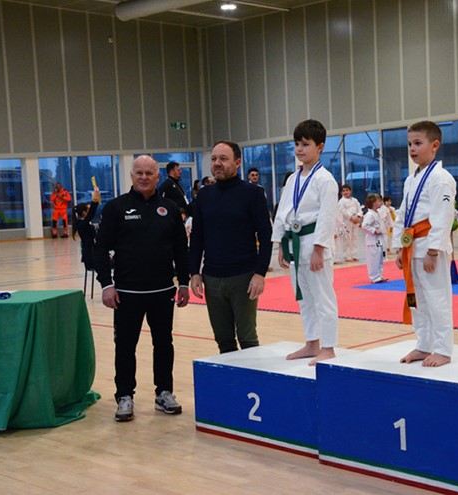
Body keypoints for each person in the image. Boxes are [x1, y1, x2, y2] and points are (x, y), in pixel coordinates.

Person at [93, 155, 190, 423]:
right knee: (125, 347)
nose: (144, 177)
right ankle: (125, 396)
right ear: (132, 176)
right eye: (139, 173)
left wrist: (183, 282)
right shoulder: (116, 208)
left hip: (163, 291)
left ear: (158, 176)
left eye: (149, 173)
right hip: (127, 294)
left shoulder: (170, 208)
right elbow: (100, 249)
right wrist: (107, 285)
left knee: (164, 344)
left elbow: (181, 249)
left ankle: (164, 393)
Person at [189, 141, 272, 354]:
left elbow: (265, 236)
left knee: (247, 339)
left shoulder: (253, 193)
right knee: (223, 340)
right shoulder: (204, 196)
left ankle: (251, 376)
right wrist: (194, 272)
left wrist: (260, 273)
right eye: (214, 159)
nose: (217, 163)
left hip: (243, 277)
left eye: (223, 159)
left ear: (237, 162)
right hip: (212, 277)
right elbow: (197, 237)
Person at [271, 119, 339, 366]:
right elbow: (282, 211)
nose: (299, 149)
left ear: (320, 147)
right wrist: (280, 244)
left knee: (323, 297)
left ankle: (328, 347)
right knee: (304, 297)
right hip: (294, 242)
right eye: (297, 144)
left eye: (305, 144)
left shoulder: (325, 179)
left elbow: (327, 217)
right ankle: (312, 343)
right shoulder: (293, 179)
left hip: (313, 243)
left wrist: (319, 249)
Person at [393, 120, 456, 367]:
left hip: (430, 247)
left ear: (435, 145)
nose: (412, 148)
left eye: (418, 143)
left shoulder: (441, 178)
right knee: (417, 299)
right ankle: (424, 344)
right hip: (412, 247)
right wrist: (399, 247)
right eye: (410, 144)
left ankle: (442, 349)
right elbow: (402, 214)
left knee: (437, 299)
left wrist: (433, 250)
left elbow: (443, 216)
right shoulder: (412, 179)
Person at [71, 187, 101, 271]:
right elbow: (91, 214)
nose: (89, 211)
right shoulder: (82, 224)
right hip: (91, 259)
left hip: (93, 255)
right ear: (84, 213)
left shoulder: (83, 223)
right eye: (88, 210)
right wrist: (94, 200)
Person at [361, 193, 388, 283]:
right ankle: (374, 277)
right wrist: (374, 230)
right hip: (372, 240)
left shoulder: (377, 213)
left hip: (379, 240)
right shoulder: (370, 214)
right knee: (373, 259)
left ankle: (379, 275)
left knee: (380, 257)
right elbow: (364, 226)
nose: (381, 202)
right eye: (379, 201)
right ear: (373, 203)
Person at [337, 184, 363, 262]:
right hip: (347, 221)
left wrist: (359, 217)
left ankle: (354, 254)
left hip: (356, 221)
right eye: (343, 191)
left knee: (355, 238)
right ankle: (347, 256)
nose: (345, 192)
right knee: (347, 239)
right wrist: (351, 217)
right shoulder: (341, 201)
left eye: (347, 190)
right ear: (341, 192)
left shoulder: (355, 200)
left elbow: (359, 209)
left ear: (350, 191)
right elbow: (343, 211)